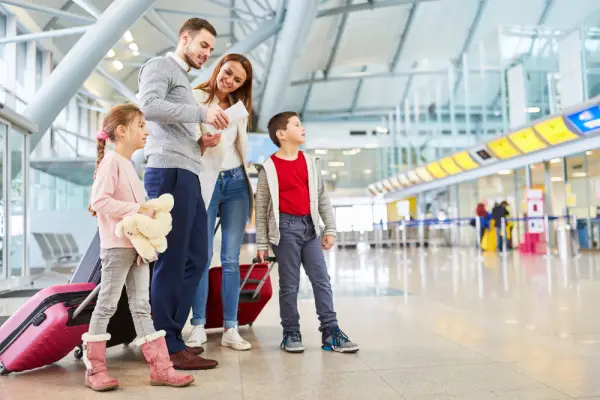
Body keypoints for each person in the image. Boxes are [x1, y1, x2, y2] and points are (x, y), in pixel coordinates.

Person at [138, 17, 229, 370]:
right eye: (203, 45)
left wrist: (199, 140)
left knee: (197, 256)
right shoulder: (160, 66)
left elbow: (172, 123)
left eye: (211, 48)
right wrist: (202, 112)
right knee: (173, 260)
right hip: (169, 173)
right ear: (185, 38)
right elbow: (149, 106)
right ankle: (166, 344)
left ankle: (173, 335)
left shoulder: (183, 79)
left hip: (187, 171)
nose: (207, 53)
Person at [84, 104, 194, 391]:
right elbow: (99, 202)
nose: (147, 132)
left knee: (142, 307)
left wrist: (145, 221)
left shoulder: (127, 164)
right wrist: (139, 209)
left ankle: (161, 368)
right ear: (122, 131)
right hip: (116, 248)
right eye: (141, 126)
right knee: (106, 305)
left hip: (137, 248)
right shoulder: (111, 161)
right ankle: (95, 370)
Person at [255, 111, 359, 354]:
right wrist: (261, 243)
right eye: (296, 124)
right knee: (289, 285)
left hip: (311, 229)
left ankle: (331, 332)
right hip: (284, 230)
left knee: (322, 280)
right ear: (282, 134)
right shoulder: (269, 167)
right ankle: (290, 332)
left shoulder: (310, 162)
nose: (302, 128)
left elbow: (322, 198)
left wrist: (329, 228)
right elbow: (261, 207)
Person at [187, 54, 254, 351]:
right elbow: (184, 140)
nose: (230, 81)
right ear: (219, 68)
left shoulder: (239, 107)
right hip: (206, 180)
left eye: (238, 80)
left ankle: (231, 328)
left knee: (230, 259)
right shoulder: (195, 97)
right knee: (201, 257)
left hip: (237, 182)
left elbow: (240, 144)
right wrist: (202, 143)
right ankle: (198, 326)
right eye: (227, 73)